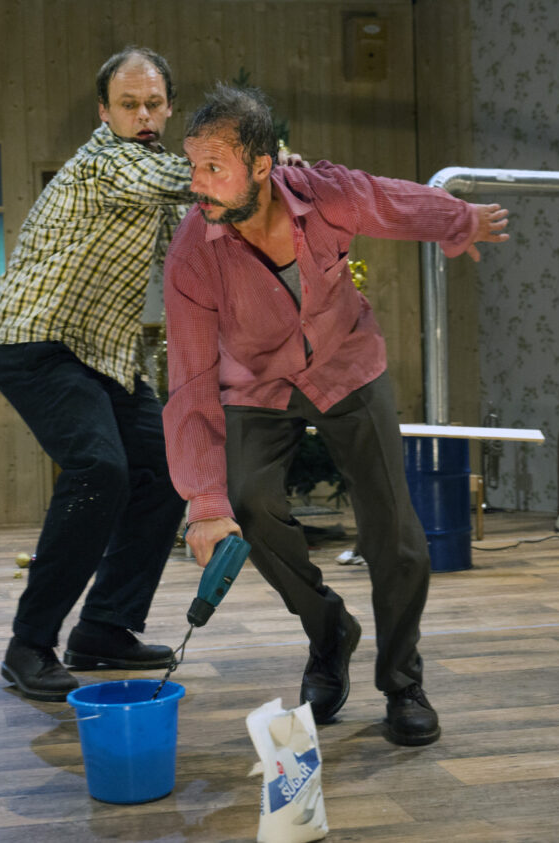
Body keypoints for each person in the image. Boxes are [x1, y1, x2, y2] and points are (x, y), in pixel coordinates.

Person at [162, 85, 510, 745]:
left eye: (213, 167)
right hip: (256, 386)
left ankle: (402, 682)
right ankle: (330, 634)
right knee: (250, 504)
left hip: (347, 367)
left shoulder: (324, 194)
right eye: (193, 165)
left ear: (261, 167)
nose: (197, 182)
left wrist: (459, 220)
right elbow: (190, 382)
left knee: (394, 530)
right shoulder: (193, 254)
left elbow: (391, 201)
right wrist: (205, 500)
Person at [0, 46, 194, 702]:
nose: (143, 116)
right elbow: (197, 183)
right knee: (99, 470)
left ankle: (104, 627)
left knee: (167, 469)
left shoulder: (158, 175)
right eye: (129, 105)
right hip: (34, 343)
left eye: (153, 103)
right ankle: (28, 643)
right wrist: (263, 167)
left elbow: (195, 244)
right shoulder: (108, 162)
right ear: (105, 112)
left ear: (169, 107)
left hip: (104, 355)